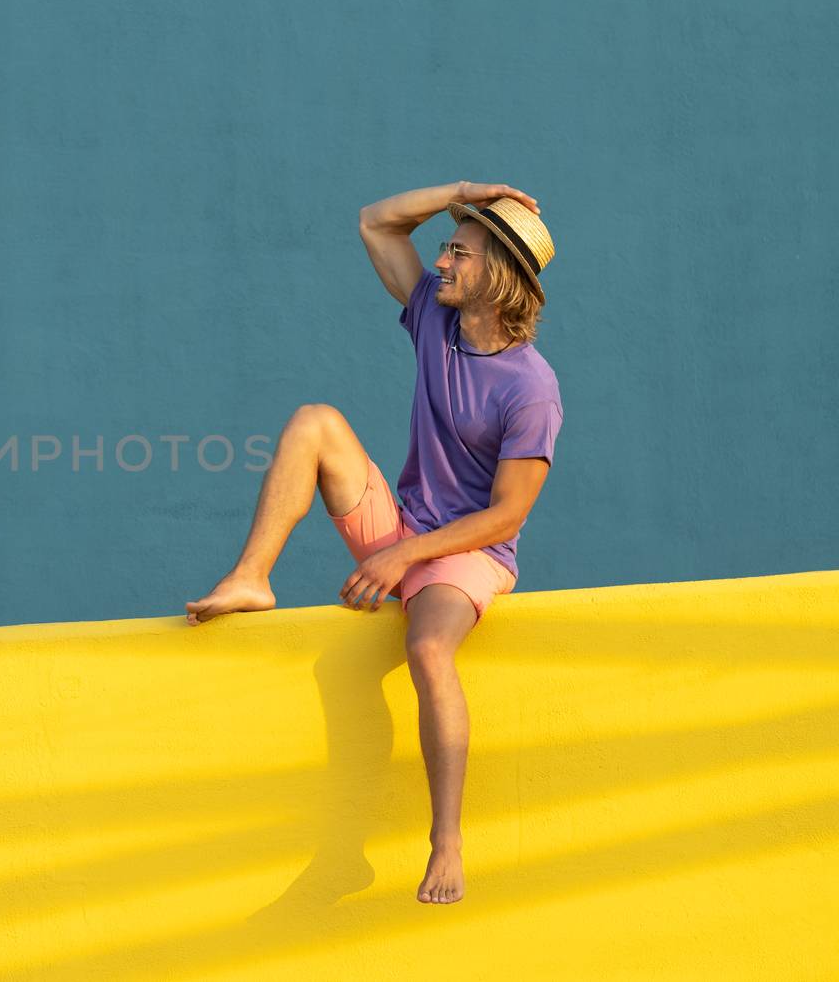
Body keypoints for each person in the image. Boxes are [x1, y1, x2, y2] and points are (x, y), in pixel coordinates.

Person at [184, 180, 564, 906]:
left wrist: (403, 556)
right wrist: (463, 192)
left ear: (497, 275)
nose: (442, 261)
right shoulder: (434, 318)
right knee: (313, 421)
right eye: (448, 249)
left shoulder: (531, 389)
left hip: (468, 555)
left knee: (426, 649)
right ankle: (252, 576)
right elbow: (374, 222)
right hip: (408, 532)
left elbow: (507, 517)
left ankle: (445, 840)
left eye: (459, 252)